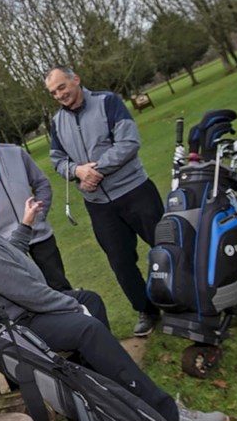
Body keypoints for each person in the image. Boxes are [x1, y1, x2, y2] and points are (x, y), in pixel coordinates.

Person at [0, 173, 230, 421]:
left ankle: (111, 394)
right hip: (20, 327)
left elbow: (9, 260)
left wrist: (26, 225)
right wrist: (71, 307)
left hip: (23, 312)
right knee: (87, 326)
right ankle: (168, 415)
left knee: (90, 300)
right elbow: (29, 294)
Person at [45, 66, 164, 337]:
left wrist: (94, 170)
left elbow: (129, 142)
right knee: (120, 262)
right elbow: (57, 160)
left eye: (62, 87)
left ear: (76, 79)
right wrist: (77, 171)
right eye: (53, 93)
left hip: (135, 191)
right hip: (99, 205)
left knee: (165, 247)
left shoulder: (107, 102)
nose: (59, 95)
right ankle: (146, 310)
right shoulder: (57, 123)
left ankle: (188, 297)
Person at [0, 110, 72, 291]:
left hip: (39, 234)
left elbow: (42, 184)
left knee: (60, 287)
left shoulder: (16, 153)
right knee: (29, 294)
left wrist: (39, 214)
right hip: (6, 245)